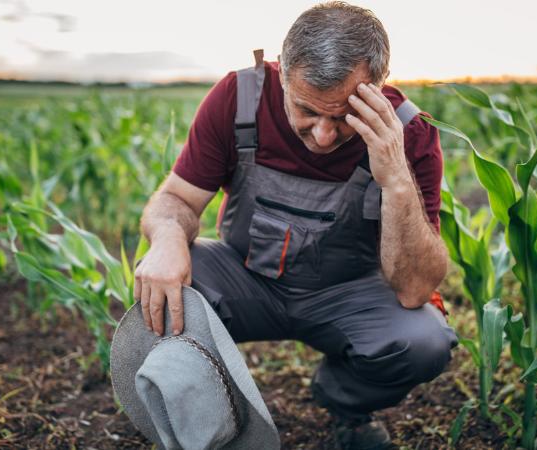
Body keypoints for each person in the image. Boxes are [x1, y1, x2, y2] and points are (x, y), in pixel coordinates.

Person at [134, 2, 458, 448]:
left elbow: (415, 289)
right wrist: (168, 238)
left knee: (424, 342)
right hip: (244, 276)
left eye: (343, 115)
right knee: (158, 289)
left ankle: (344, 403)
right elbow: (176, 200)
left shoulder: (409, 132)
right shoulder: (238, 98)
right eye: (306, 110)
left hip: (348, 293)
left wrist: (396, 179)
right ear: (282, 74)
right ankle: (213, 424)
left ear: (379, 87)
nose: (323, 135)